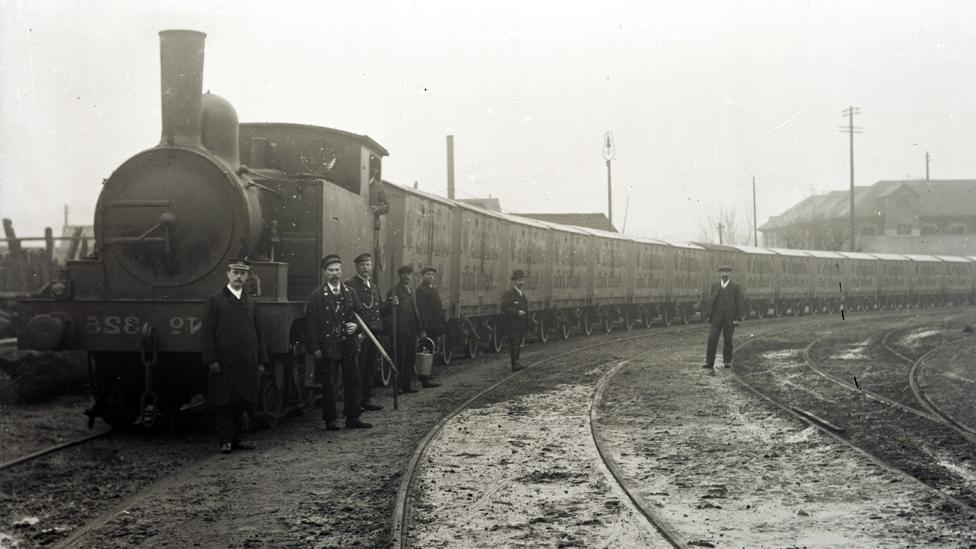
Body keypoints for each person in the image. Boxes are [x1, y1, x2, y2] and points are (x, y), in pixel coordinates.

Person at [201, 259, 268, 454]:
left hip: (247, 360)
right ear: (228, 274)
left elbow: (259, 333)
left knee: (244, 400)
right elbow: (207, 333)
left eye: (243, 273)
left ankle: (241, 439)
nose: (239, 276)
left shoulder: (252, 302)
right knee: (225, 402)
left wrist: (262, 360)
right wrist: (211, 359)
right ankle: (225, 440)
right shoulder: (215, 300)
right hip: (224, 361)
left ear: (247, 276)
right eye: (235, 272)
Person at [304, 255, 372, 430]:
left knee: (352, 381)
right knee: (329, 384)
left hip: (347, 344)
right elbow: (309, 325)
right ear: (324, 273)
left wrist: (356, 326)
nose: (334, 273)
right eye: (330, 270)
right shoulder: (316, 296)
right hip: (328, 346)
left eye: (337, 270)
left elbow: (362, 314)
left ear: (342, 271)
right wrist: (315, 349)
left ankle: (353, 417)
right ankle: (331, 419)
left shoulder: (350, 293)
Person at [345, 253, 384, 412]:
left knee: (369, 367)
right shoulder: (351, 285)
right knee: (358, 369)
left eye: (368, 264)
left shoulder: (374, 286)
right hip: (361, 334)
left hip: (373, 332)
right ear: (356, 267)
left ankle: (366, 399)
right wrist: (359, 331)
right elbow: (350, 311)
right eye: (362, 265)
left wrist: (391, 304)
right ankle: (357, 401)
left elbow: (380, 309)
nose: (365, 268)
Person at [384, 265, 424, 393]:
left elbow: (416, 309)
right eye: (403, 274)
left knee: (410, 358)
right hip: (399, 330)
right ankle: (398, 386)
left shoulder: (411, 290)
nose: (406, 276)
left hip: (411, 329)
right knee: (399, 358)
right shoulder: (394, 290)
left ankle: (407, 385)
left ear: (411, 276)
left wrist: (420, 328)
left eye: (408, 274)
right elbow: (388, 311)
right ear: (399, 276)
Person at [703, 265, 745, 370]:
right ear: (720, 274)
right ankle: (709, 361)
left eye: (727, 272)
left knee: (728, 340)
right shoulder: (715, 285)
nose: (724, 274)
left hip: (729, 317)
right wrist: (708, 315)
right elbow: (711, 301)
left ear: (730, 273)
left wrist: (738, 318)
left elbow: (739, 303)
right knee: (712, 338)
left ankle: (727, 361)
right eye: (722, 272)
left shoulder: (735, 286)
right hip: (716, 317)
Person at [414, 266, 444, 388]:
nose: (430, 277)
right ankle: (425, 379)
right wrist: (423, 329)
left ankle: (429, 376)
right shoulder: (421, 291)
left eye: (432, 275)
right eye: (428, 275)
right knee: (426, 352)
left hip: (434, 327)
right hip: (428, 328)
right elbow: (422, 311)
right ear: (423, 276)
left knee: (432, 352)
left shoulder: (433, 290)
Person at [501, 270, 529, 372]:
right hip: (512, 323)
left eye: (523, 280)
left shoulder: (521, 293)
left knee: (518, 343)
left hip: (520, 324)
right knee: (515, 343)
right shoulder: (509, 293)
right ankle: (514, 364)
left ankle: (517, 362)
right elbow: (504, 307)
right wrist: (516, 312)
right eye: (519, 280)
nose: (522, 282)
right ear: (514, 281)